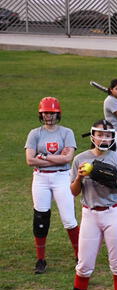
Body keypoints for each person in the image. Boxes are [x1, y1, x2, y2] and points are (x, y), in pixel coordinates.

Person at [62, 120, 117, 290]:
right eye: (100, 134)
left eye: (107, 135)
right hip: (90, 215)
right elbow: (74, 192)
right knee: (84, 265)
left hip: (113, 213)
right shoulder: (80, 159)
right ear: (92, 135)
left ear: (112, 138)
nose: (103, 138)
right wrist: (79, 177)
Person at [25, 97, 79, 274]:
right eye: (46, 113)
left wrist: (43, 157)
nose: (49, 116)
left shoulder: (66, 132)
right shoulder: (35, 133)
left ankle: (80, 256)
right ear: (41, 114)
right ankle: (40, 259)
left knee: (69, 219)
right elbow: (29, 160)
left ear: (58, 114)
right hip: (41, 179)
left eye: (52, 113)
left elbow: (68, 159)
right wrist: (56, 159)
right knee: (41, 217)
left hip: (62, 177)